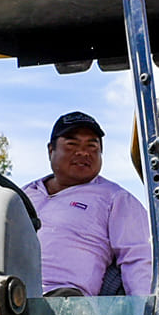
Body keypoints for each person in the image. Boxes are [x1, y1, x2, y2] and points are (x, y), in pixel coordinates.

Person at [22, 111, 151, 297]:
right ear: (51, 150)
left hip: (62, 302)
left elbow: (139, 259)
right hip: (6, 296)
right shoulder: (24, 193)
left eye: (92, 146)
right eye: (72, 144)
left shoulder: (115, 199)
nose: (83, 152)